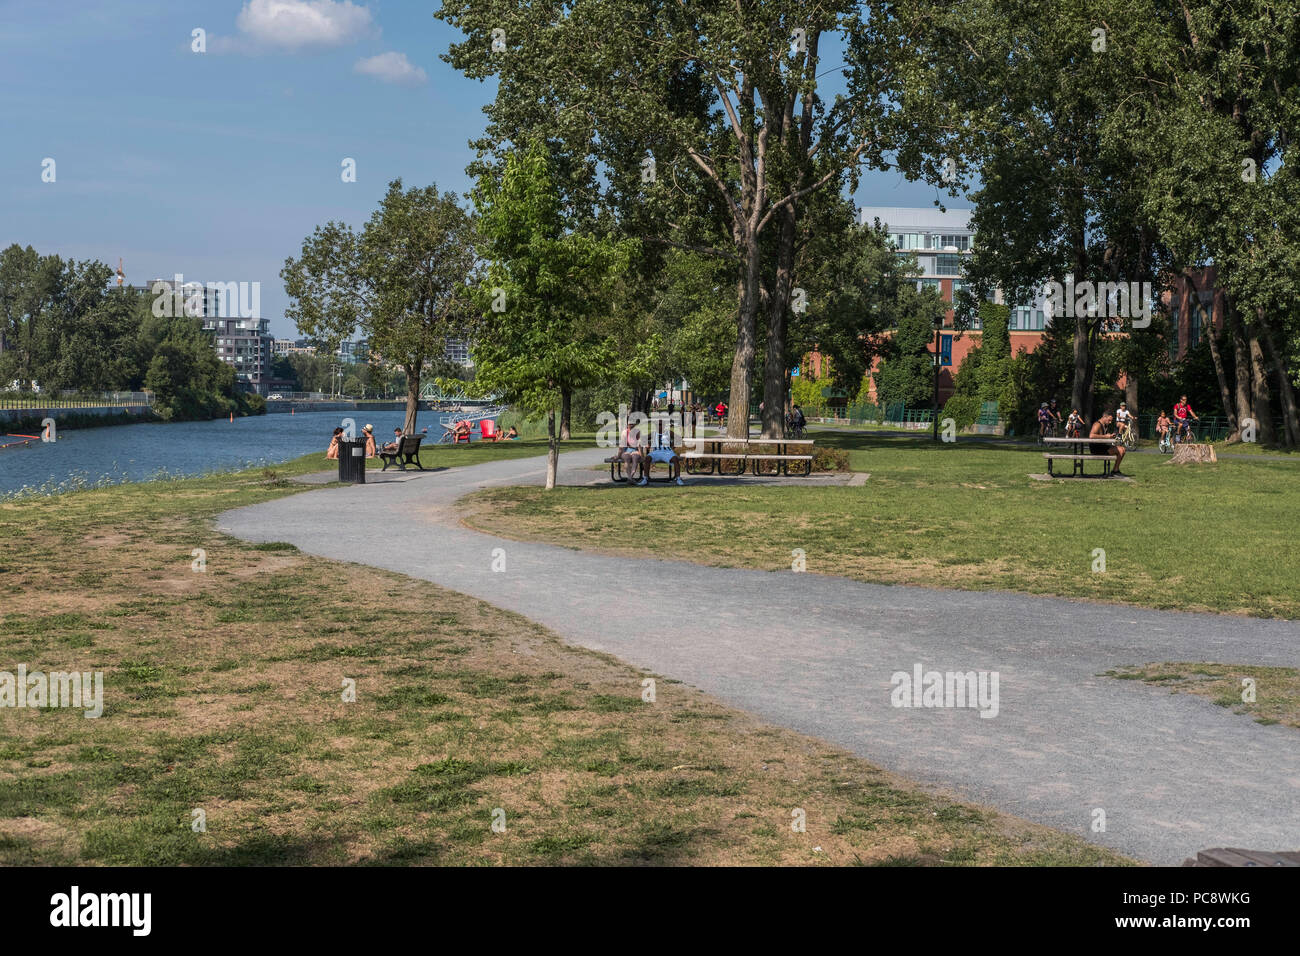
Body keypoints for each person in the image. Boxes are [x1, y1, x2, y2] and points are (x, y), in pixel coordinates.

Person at [646, 421, 684, 485]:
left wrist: (672, 446)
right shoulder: (653, 433)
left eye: (660, 424)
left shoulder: (669, 432)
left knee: (675, 459)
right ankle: (645, 478)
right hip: (656, 452)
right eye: (657, 424)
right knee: (647, 458)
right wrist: (647, 444)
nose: (659, 426)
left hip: (667, 452)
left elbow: (679, 438)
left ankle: (678, 478)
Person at [620, 421, 647, 486]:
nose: (631, 426)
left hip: (635, 449)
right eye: (630, 424)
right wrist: (618, 455)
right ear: (627, 425)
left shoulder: (638, 432)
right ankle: (630, 478)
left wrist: (642, 456)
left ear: (635, 425)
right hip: (627, 449)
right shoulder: (624, 432)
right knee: (626, 457)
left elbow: (639, 445)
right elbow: (622, 446)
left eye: (632, 424)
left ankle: (630, 477)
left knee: (635, 457)